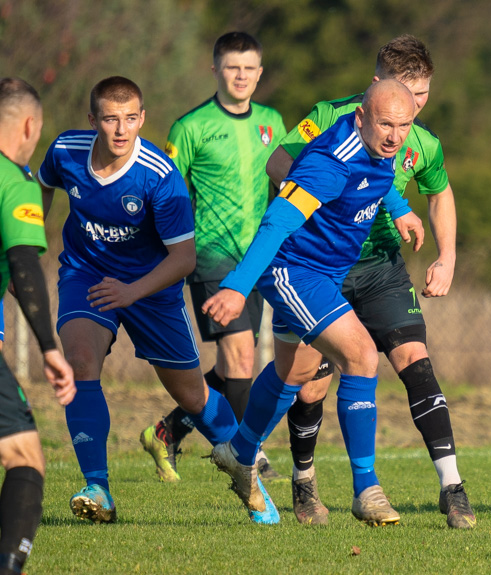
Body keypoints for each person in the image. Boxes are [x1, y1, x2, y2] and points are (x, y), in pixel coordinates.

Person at [265, 34, 475, 529]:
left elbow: (439, 194)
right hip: (319, 265)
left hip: (381, 267)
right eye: (405, 93)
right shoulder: (334, 116)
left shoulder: (421, 141)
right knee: (307, 382)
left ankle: (452, 488)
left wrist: (446, 258)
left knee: (416, 362)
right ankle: (304, 478)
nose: (413, 108)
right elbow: (276, 161)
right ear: (377, 83)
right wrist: (324, 190)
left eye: (423, 96)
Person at [204, 79, 424, 526]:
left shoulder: (381, 146)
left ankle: (238, 452)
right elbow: (278, 221)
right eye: (386, 124)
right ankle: (367, 490)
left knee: (295, 371)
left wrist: (399, 206)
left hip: (323, 273)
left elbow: (378, 178)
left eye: (404, 125)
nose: (395, 136)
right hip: (294, 272)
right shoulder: (328, 163)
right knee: (362, 356)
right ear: (361, 118)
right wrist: (237, 286)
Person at [37, 76, 239, 524]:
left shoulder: (160, 176)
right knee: (81, 362)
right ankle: (98, 489)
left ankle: (248, 469)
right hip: (86, 274)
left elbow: (183, 258)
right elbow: (44, 184)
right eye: (110, 119)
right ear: (93, 121)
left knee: (192, 397)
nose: (121, 129)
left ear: (143, 118)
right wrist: (29, 243)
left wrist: (131, 291)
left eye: (131, 118)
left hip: (152, 285)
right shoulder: (66, 150)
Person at [139, 31, 288, 483]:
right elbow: (164, 194)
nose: (241, 76)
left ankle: (166, 430)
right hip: (209, 254)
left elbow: (285, 185)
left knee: (230, 367)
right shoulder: (190, 126)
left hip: (257, 257)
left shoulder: (273, 122)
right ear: (215, 70)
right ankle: (248, 458)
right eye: (232, 67)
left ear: (260, 74)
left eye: (249, 68)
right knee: (242, 357)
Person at [0, 77, 76, 575]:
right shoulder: (15, 180)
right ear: (30, 125)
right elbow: (24, 264)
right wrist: (50, 346)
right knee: (26, 456)